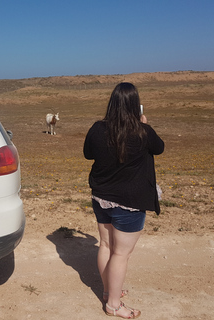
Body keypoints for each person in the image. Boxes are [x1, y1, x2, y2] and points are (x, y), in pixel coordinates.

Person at [83, 82, 164, 318]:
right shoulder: (142, 132)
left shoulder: (97, 128)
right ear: (134, 106)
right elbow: (159, 148)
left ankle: (110, 292)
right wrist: (144, 125)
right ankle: (114, 306)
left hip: (101, 197)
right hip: (129, 202)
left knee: (106, 246)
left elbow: (88, 154)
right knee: (121, 254)